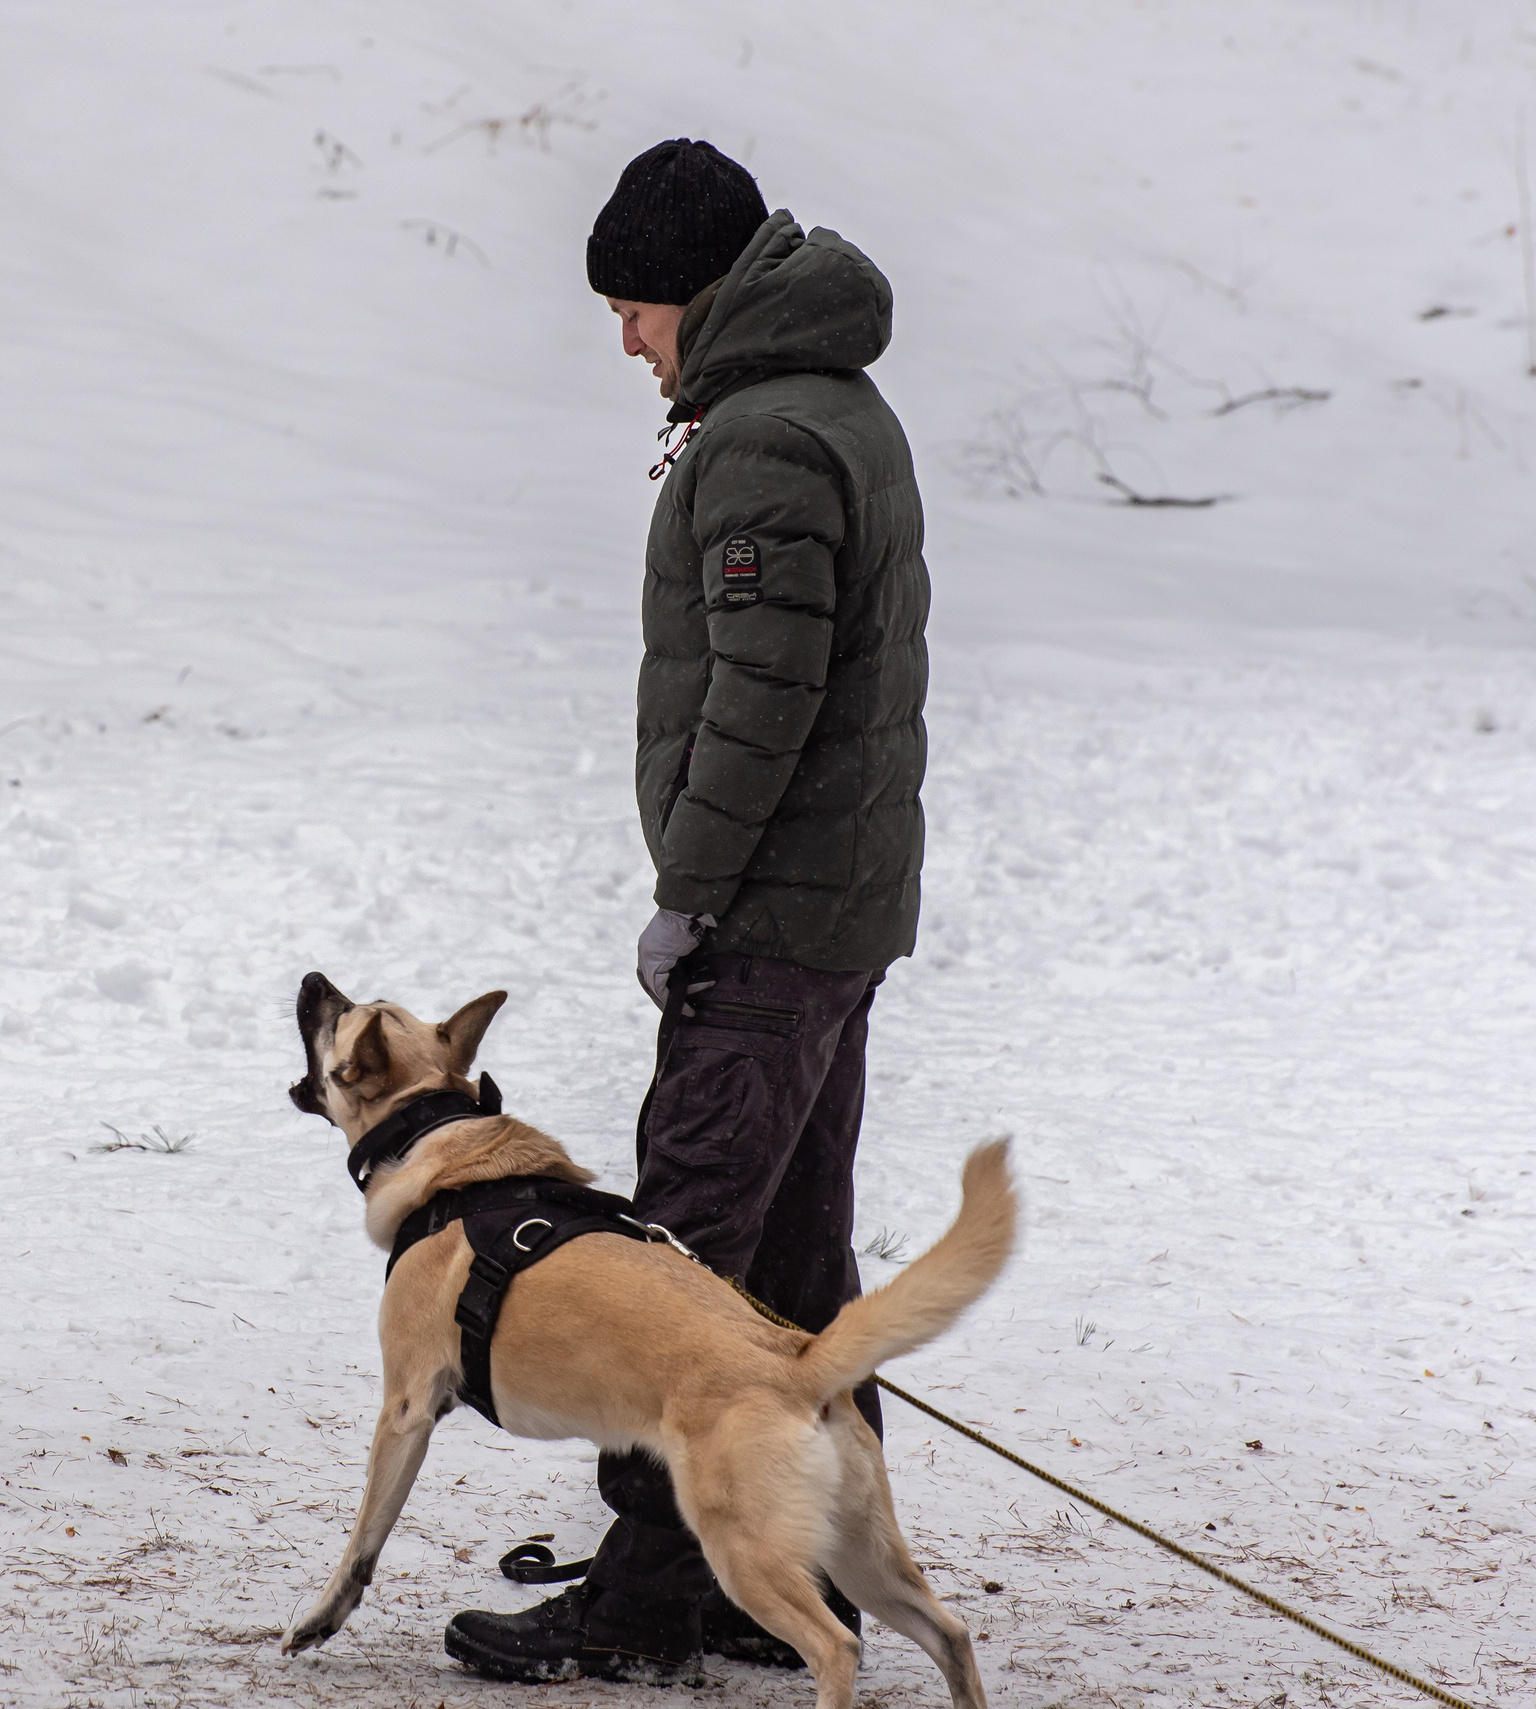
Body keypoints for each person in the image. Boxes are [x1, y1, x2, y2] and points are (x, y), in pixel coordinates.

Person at [444, 139, 931, 1682]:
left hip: (774, 919)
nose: (626, 337)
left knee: (681, 1276)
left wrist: (691, 896)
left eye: (634, 305)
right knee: (792, 1276)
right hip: (833, 914)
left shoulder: (772, 437)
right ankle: (790, 1578)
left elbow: (760, 702)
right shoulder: (827, 403)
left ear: (697, 290)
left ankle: (654, 1601)